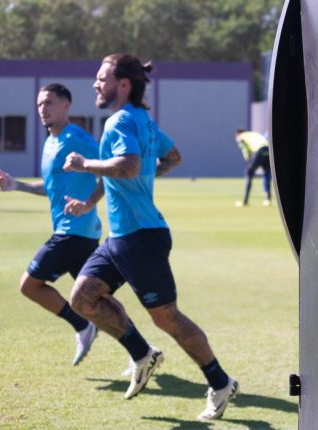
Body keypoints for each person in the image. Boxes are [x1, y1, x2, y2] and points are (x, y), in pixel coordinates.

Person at [62, 53, 239, 421]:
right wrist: (89, 202)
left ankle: (221, 383)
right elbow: (172, 157)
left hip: (140, 238)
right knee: (82, 297)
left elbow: (127, 165)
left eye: (101, 78)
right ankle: (143, 355)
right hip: (120, 238)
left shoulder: (119, 121)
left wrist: (85, 164)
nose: (95, 84)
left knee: (167, 318)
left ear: (122, 84)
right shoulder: (143, 120)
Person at [0, 83, 102, 366]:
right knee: (97, 301)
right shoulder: (50, 142)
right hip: (75, 231)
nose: (43, 109)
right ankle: (141, 350)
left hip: (75, 231)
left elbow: (110, 170)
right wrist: (16, 185)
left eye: (49, 103)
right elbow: (52, 188)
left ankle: (82, 325)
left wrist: (89, 203)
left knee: (29, 285)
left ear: (66, 105)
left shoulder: (77, 137)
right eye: (40, 104)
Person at [234, 128, 272, 207]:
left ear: (238, 134)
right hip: (268, 150)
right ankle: (268, 199)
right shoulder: (253, 134)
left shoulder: (241, 136)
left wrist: (248, 160)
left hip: (260, 151)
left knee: (249, 173)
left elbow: (244, 149)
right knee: (267, 175)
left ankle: (245, 201)